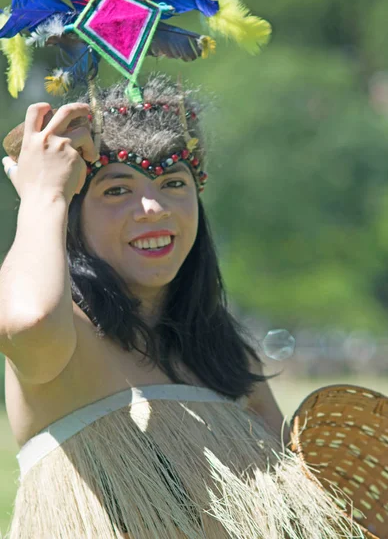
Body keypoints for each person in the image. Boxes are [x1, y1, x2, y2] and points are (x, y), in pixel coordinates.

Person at [0, 73, 365, 539]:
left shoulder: (226, 356)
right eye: (116, 190)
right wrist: (43, 195)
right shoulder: (64, 341)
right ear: (72, 214)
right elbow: (24, 321)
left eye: (173, 181)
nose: (153, 207)